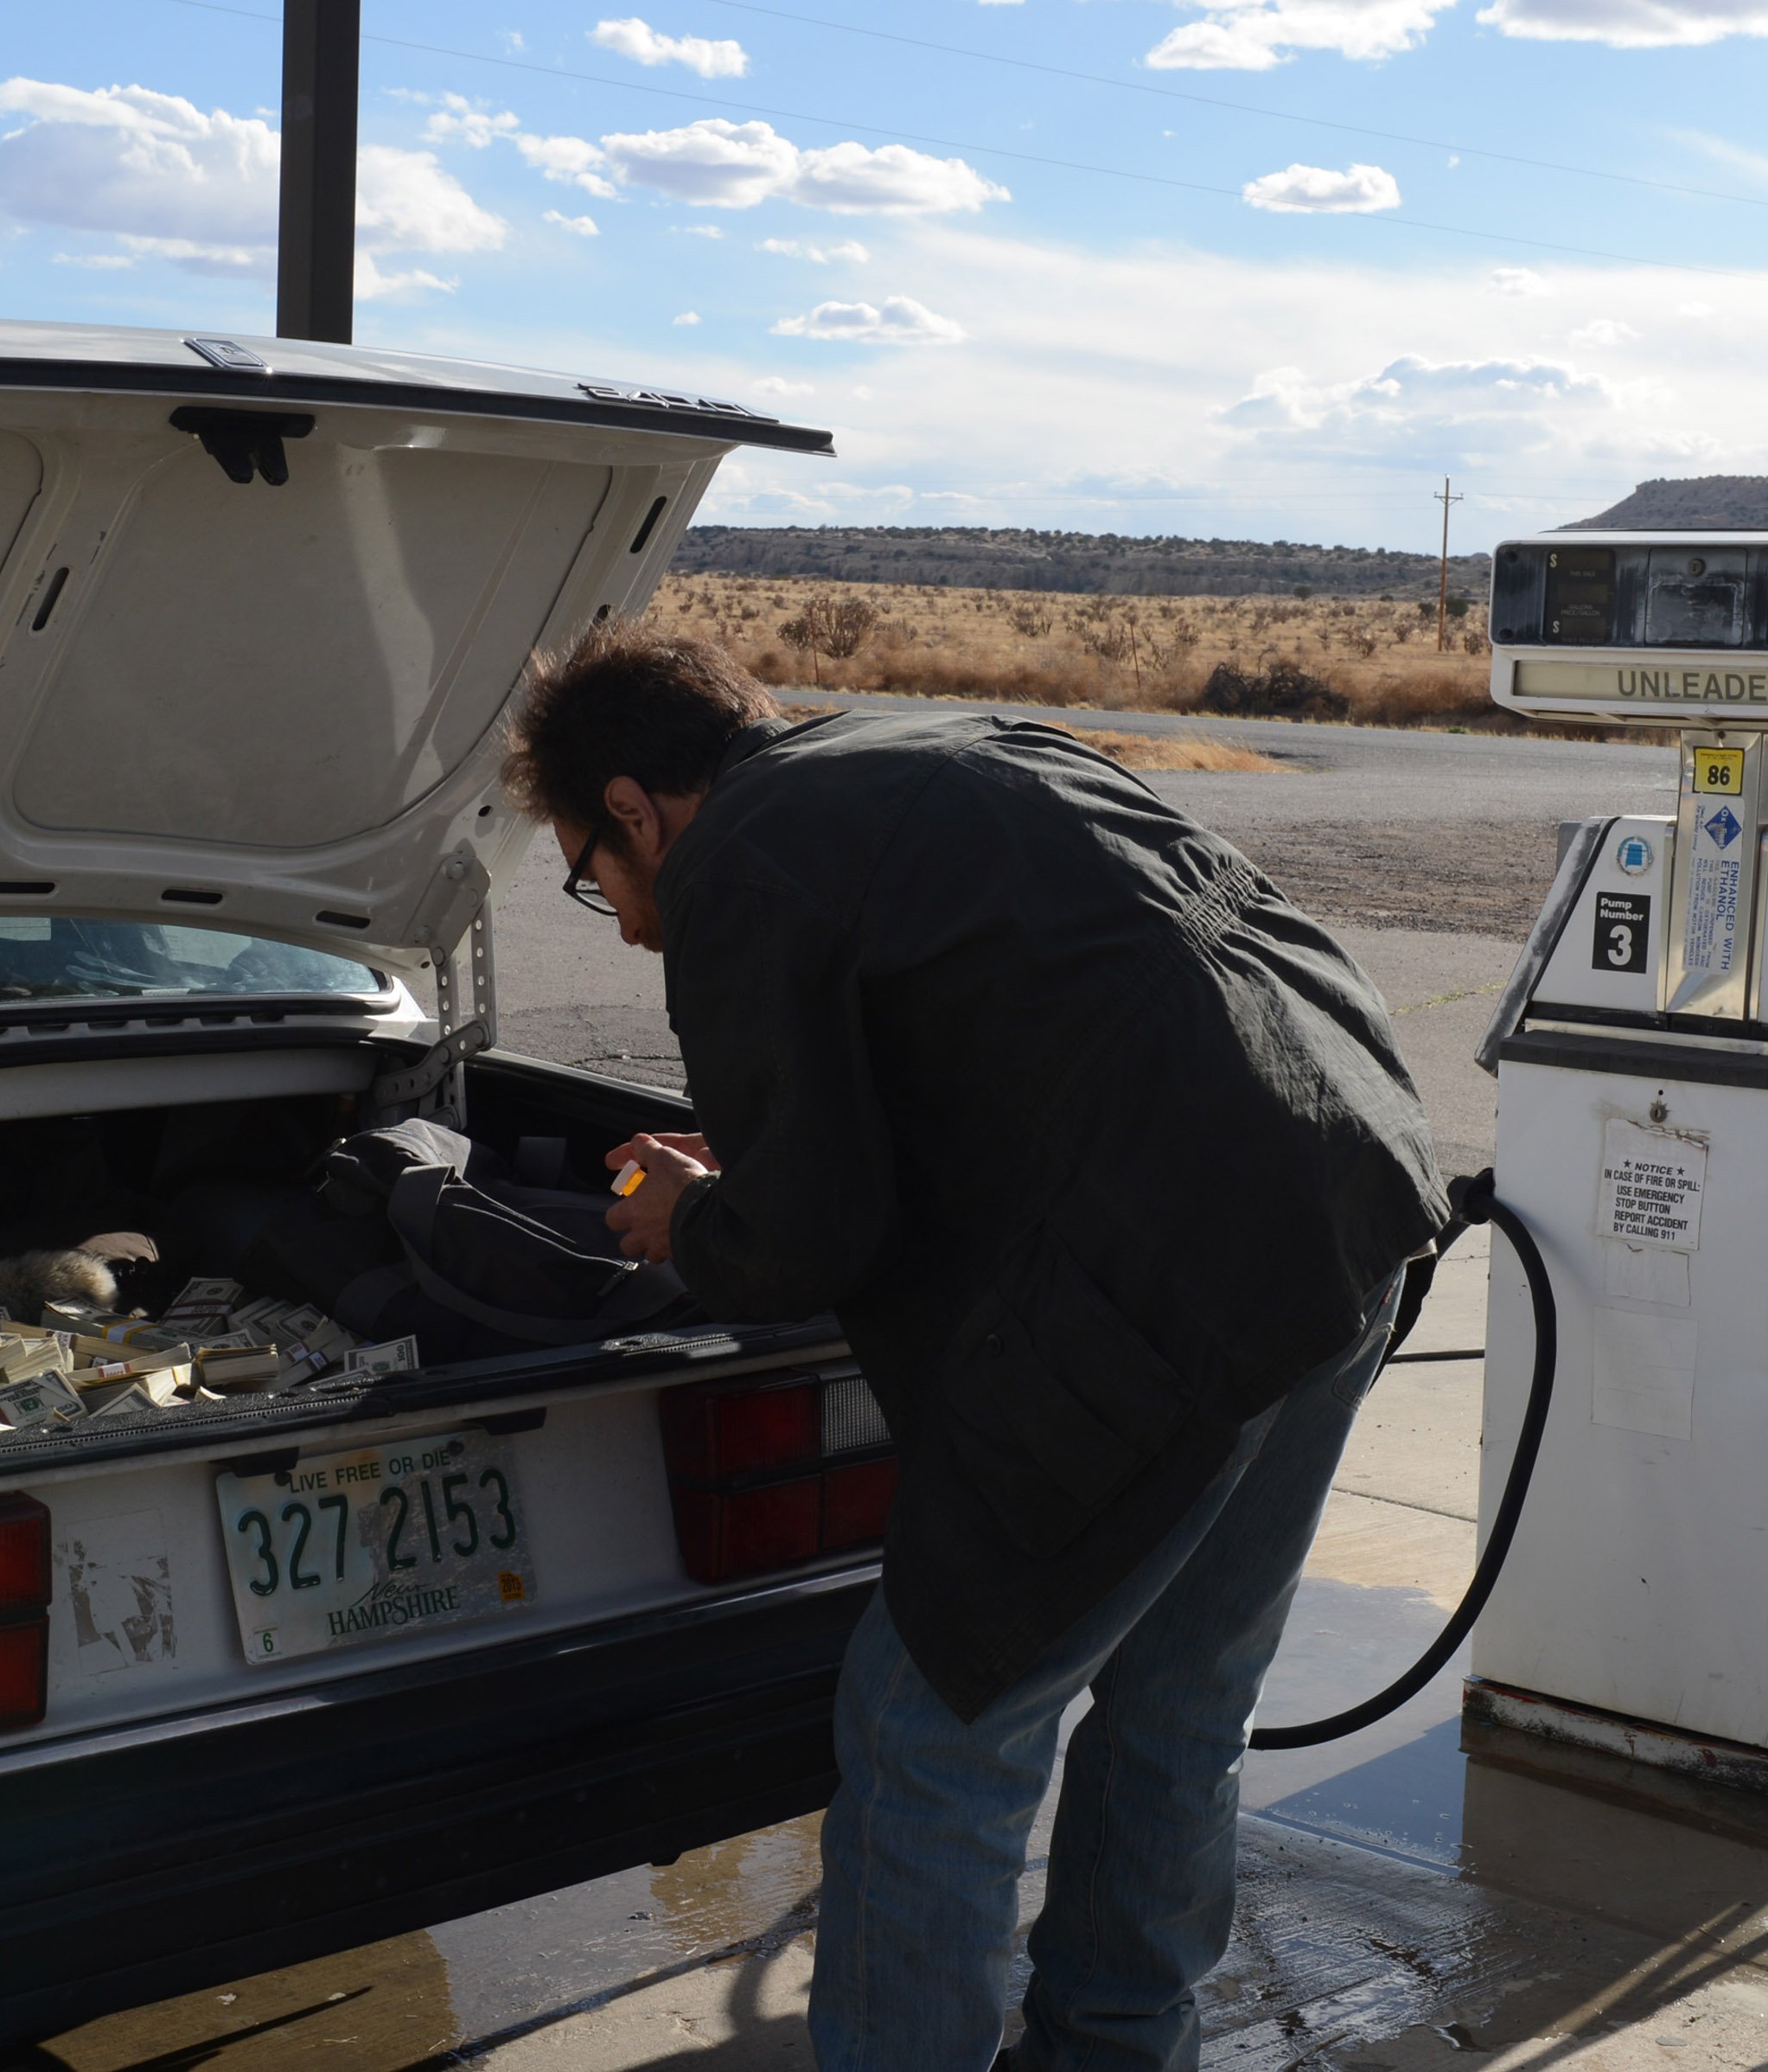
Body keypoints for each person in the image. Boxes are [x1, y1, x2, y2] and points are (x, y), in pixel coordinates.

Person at [501, 626, 1447, 2072]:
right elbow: (1033, 1028)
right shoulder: (949, 749)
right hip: (1348, 1197)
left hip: (1170, 1277)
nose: (625, 922)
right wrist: (748, 1169)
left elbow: (804, 1241)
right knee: (1179, 1698)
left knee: (935, 1722)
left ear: (634, 809)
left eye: (595, 875)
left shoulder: (739, 862)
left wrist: (696, 1224)